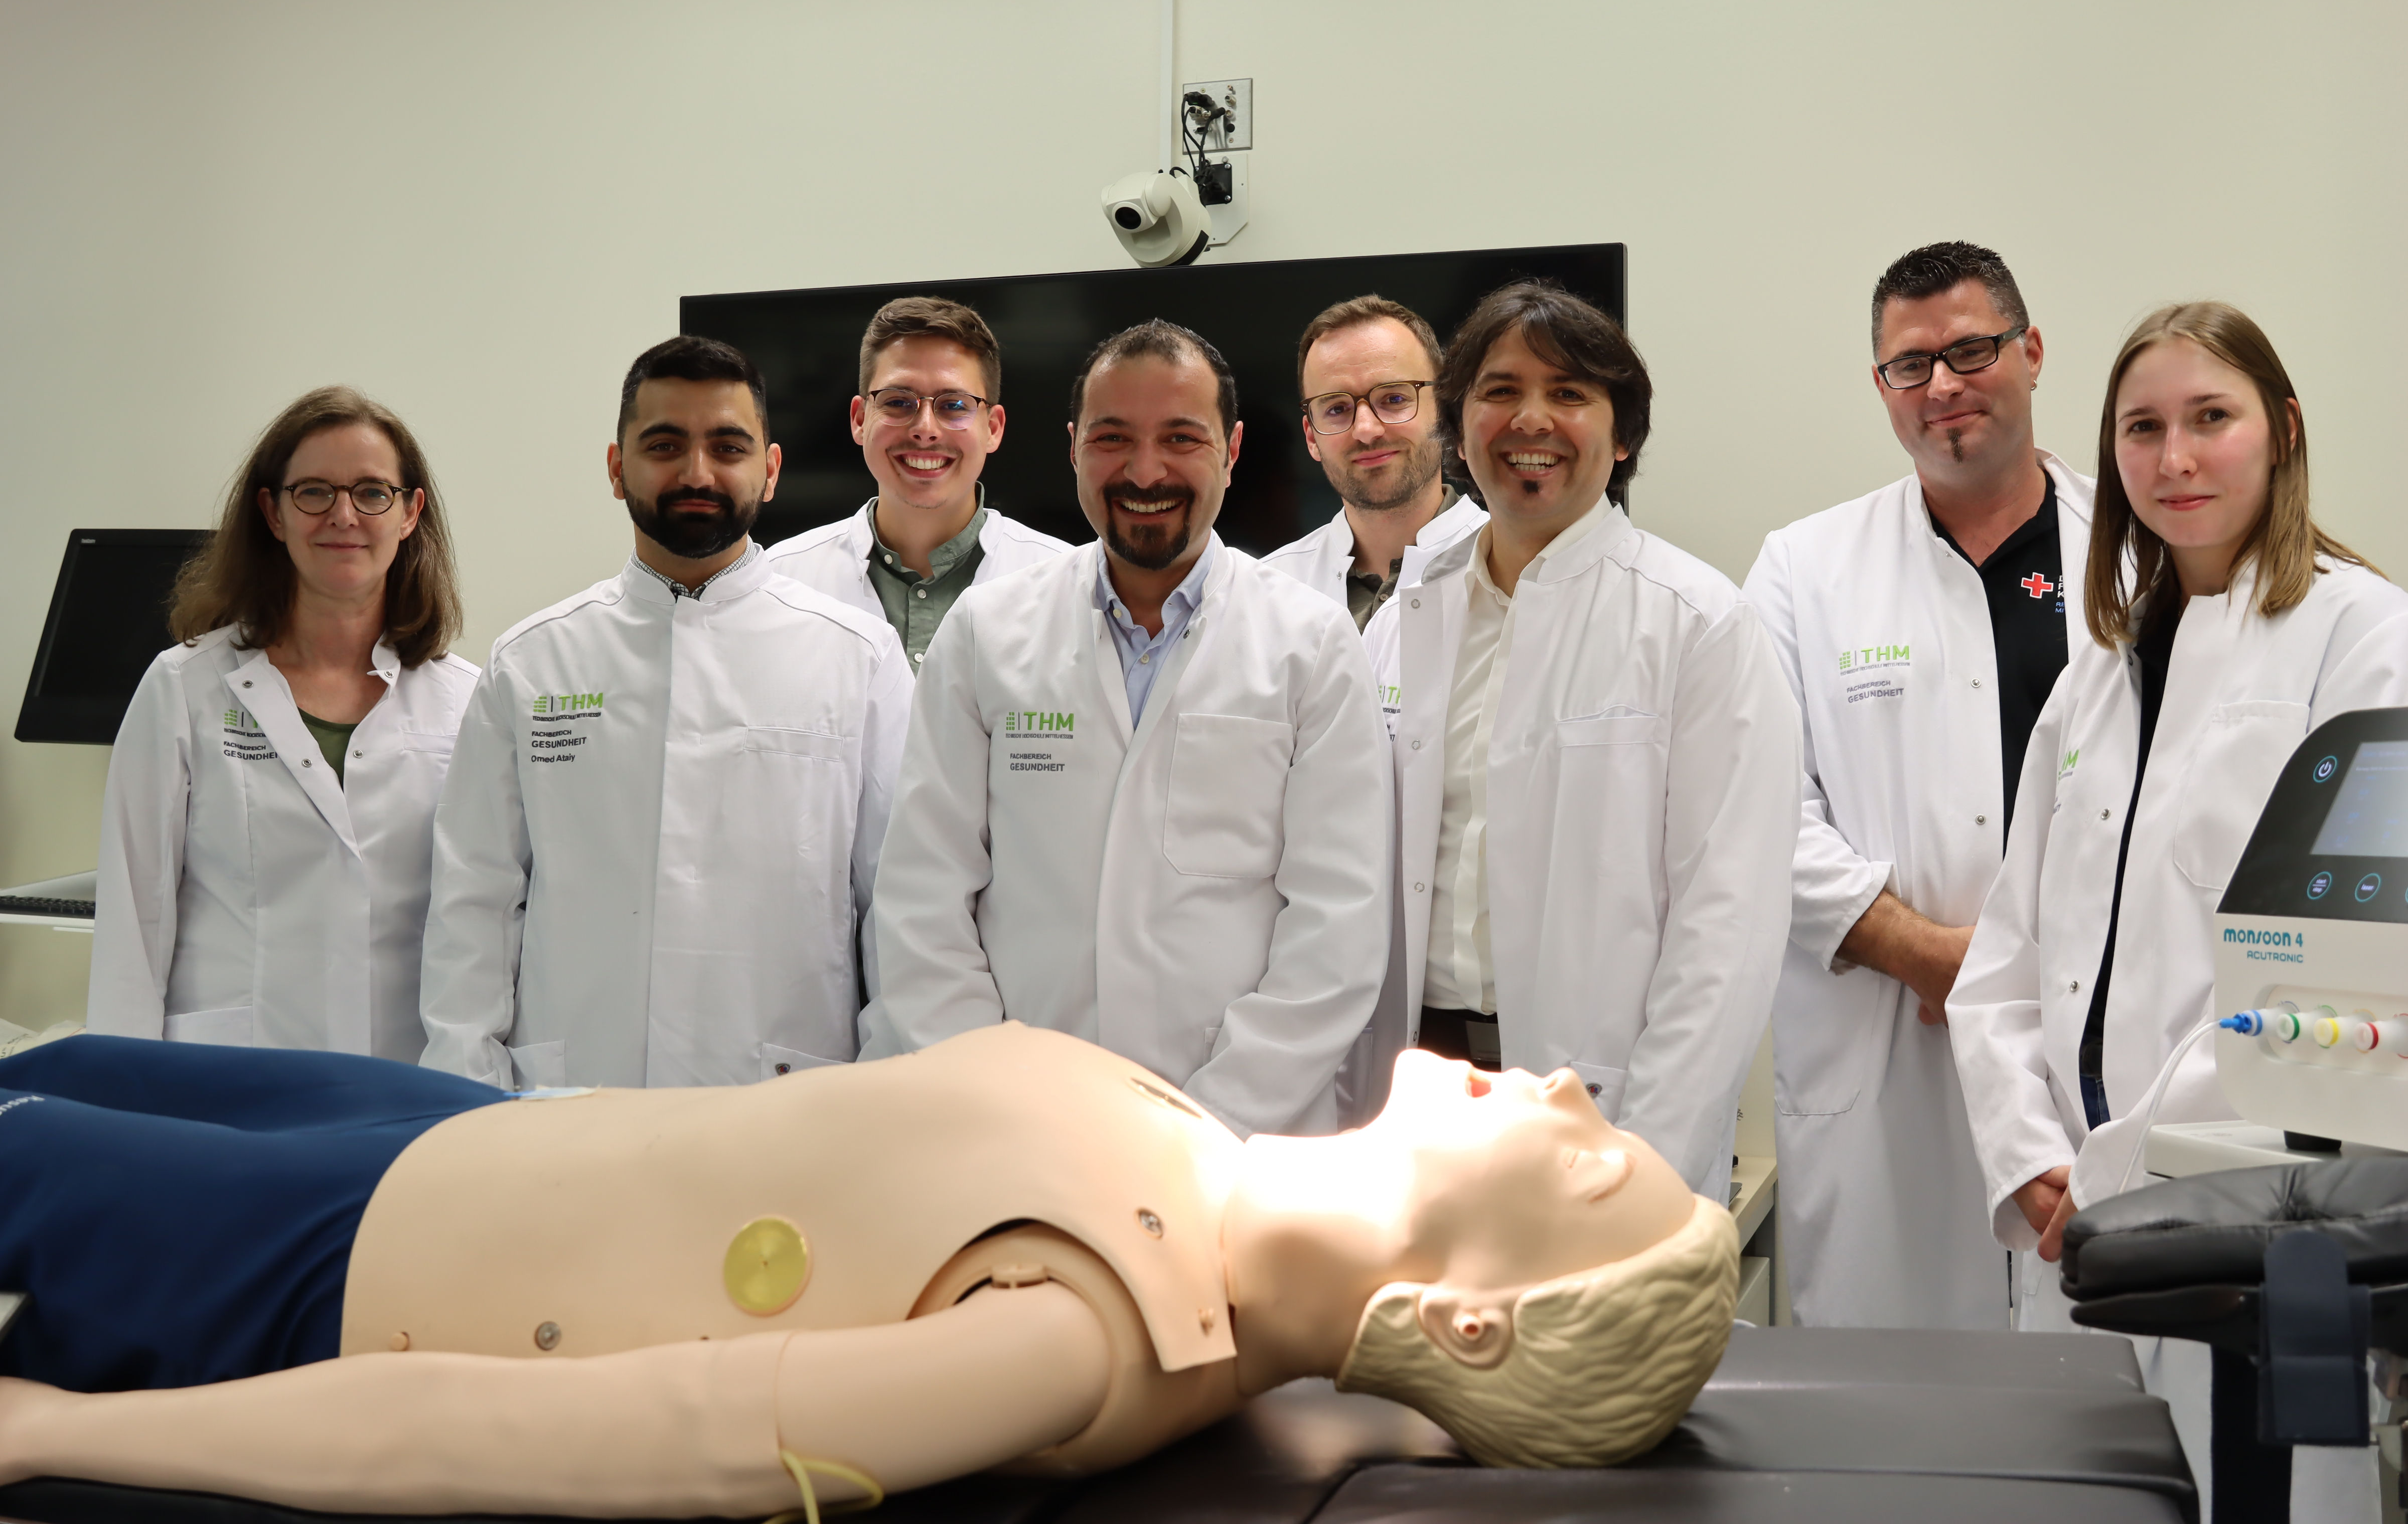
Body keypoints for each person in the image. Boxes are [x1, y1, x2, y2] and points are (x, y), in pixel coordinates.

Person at [0, 1028, 1739, 1515]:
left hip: (351, 1255)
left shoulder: (1077, 1337)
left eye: (1589, 1158)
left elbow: (594, 1443)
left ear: (1470, 1319)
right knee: (59, 1061)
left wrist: (56, 1436)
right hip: (465, 1132)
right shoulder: (1190, 1170)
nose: (1568, 1087)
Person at [1950, 301, 2408, 1513]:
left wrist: (2123, 1168)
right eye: (2142, 429)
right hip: (2076, 1211)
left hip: (2254, 1202)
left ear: (2283, 429)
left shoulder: (2365, 639)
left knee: (2249, 1492)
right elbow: (2006, 953)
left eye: (2211, 417)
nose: (2175, 458)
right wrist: (2031, 1156)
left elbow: (2336, 974)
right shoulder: (2095, 676)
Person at [862, 320, 1392, 1137]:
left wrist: (1207, 1124)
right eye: (1113, 439)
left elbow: (1337, 927)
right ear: (1074, 448)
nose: (1146, 472)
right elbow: (921, 902)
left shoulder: (1311, 643)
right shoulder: (987, 633)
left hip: (1244, 1135)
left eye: (1181, 438)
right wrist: (1002, 1099)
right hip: (1016, 1129)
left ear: (1231, 450)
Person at [1365, 282, 1798, 1198]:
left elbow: (1727, 932)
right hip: (1417, 1084)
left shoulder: (1698, 623)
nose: (1532, 420)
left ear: (1623, 433)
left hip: (1603, 1100)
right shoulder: (1408, 612)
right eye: (1499, 390)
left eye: (1568, 393)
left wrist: (1646, 1155)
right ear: (1459, 428)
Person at [1741, 242, 2092, 1330]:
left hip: (2089, 1025)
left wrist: (2027, 971)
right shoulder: (1803, 570)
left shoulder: (2136, 554)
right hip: (1891, 1049)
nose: (1943, 385)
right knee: (1896, 1388)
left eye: (1972, 351)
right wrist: (1929, 954)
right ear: (1882, 384)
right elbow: (1756, 811)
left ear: (2032, 353)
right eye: (1911, 365)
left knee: (2099, 1375)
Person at [418, 337, 910, 1090]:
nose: (697, 473)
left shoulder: (859, 657)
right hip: (574, 1096)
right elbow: (473, 906)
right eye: (664, 445)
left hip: (788, 1100)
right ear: (618, 468)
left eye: (728, 446)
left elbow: (901, 909)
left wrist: (883, 1094)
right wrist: (468, 1094)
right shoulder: (532, 663)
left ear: (771, 470)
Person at [88, 387, 476, 1060]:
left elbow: (483, 919)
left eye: (372, 492)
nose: (343, 515)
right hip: (232, 1076)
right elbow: (133, 918)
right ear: (273, 512)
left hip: (405, 1072)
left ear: (410, 512)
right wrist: (124, 1090)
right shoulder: (184, 687)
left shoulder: (467, 701)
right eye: (314, 492)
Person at [762, 296, 1072, 670]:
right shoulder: (778, 579)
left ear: (993, 428)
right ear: (860, 420)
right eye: (898, 402)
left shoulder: (1067, 585)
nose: (925, 429)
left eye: (954, 405)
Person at [1260, 295, 1484, 630]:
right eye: (1337, 409)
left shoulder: (1514, 567)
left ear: (1445, 411)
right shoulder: (1263, 596)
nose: (1366, 430)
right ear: (1311, 437)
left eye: (1394, 398)